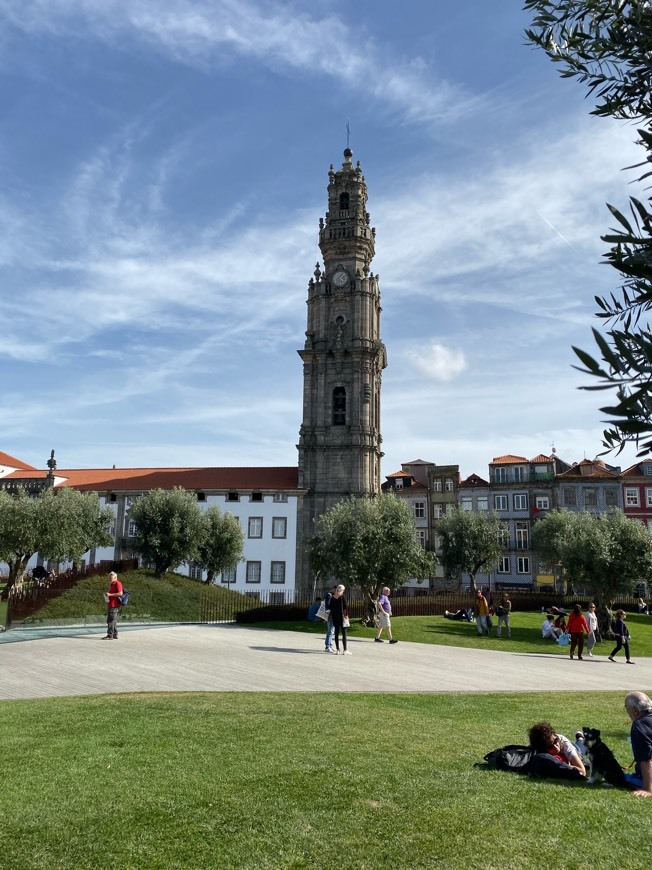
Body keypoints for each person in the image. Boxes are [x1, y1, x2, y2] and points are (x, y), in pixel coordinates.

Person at [623, 691, 652, 797]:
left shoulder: (639, 726)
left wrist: (647, 789)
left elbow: (646, 758)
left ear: (635, 710)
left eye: (627, 708)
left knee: (616, 777)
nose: (627, 711)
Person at [329, 584, 351, 655]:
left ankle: (337, 649)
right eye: (343, 590)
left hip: (335, 617)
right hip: (342, 617)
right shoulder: (342, 597)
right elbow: (345, 607)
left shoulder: (333, 597)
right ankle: (345, 650)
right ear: (342, 590)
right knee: (344, 634)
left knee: (336, 633)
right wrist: (346, 616)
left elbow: (330, 607)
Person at [103, 571, 123, 640]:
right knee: (113, 620)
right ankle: (114, 634)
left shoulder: (118, 583)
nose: (110, 579)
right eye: (110, 578)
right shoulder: (112, 584)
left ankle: (110, 635)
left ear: (115, 577)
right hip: (111, 604)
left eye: (111, 578)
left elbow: (120, 593)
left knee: (110, 620)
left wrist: (110, 595)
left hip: (114, 604)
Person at [323, 585, 336, 653]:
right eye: (336, 589)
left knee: (331, 630)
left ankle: (330, 645)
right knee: (330, 631)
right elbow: (328, 606)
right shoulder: (329, 595)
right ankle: (327, 646)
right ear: (333, 589)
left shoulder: (331, 595)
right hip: (330, 614)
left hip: (332, 614)